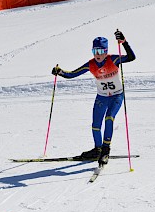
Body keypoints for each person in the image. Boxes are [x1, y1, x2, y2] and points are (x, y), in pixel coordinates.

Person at [51, 30, 136, 166]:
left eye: (100, 51)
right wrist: (59, 72)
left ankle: (105, 151)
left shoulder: (113, 59)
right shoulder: (91, 64)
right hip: (102, 97)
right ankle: (98, 150)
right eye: (94, 50)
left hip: (116, 96)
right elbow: (72, 74)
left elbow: (131, 57)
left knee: (109, 118)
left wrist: (124, 42)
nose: (97, 54)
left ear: (106, 51)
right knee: (96, 126)